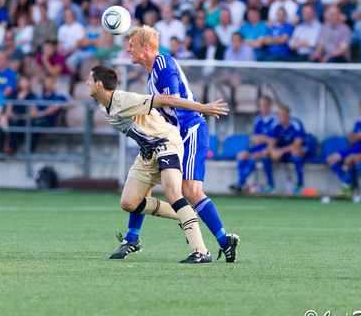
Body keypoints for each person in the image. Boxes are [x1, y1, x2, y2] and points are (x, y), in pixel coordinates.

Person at [122, 25, 240, 262]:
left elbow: (175, 100)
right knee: (146, 179)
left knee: (190, 190)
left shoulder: (164, 65)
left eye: (131, 46)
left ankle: (222, 240)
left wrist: (203, 108)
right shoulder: (152, 73)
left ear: (145, 49)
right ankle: (132, 238)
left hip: (191, 130)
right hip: (172, 136)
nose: (127, 50)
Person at [89, 65, 228, 263]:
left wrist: (203, 108)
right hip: (147, 153)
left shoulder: (125, 100)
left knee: (173, 193)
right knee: (128, 203)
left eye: (89, 79)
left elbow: (167, 99)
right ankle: (183, 214)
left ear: (99, 84)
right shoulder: (103, 104)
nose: (86, 82)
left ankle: (201, 251)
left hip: (166, 144)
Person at [326, 99, 361, 195]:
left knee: (350, 160)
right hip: (354, 149)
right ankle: (347, 182)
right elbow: (351, 137)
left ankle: (358, 188)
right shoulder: (358, 123)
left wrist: (358, 136)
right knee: (331, 159)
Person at [231, 96, 277, 193]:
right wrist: (266, 139)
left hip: (270, 148)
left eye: (264, 105)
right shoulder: (258, 120)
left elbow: (274, 141)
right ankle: (241, 183)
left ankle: (240, 183)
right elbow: (256, 139)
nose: (262, 108)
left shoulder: (275, 119)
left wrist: (263, 138)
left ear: (269, 106)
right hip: (259, 147)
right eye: (261, 106)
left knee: (253, 157)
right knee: (241, 155)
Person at [257, 106, 306, 193]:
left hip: (295, 149)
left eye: (283, 115)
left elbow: (297, 144)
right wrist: (272, 151)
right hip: (282, 149)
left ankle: (300, 185)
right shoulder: (275, 124)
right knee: (265, 153)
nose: (281, 118)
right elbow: (271, 143)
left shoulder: (295, 124)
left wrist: (280, 151)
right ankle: (270, 184)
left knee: (296, 153)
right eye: (279, 115)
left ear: (288, 115)